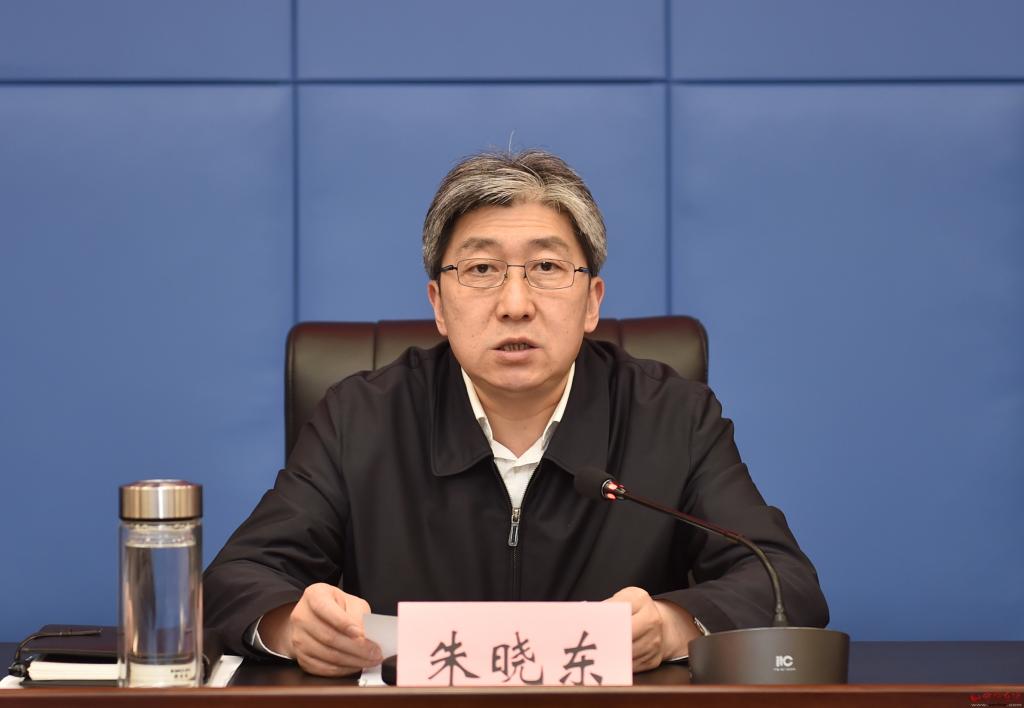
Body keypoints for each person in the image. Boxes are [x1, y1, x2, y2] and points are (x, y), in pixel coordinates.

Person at [203, 149, 828, 677]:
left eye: (547, 267)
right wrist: (292, 627)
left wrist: (670, 625)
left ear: (592, 301)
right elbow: (237, 578)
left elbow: (783, 583)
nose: (515, 304)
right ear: (438, 305)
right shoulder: (361, 418)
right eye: (481, 269)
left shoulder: (673, 417)